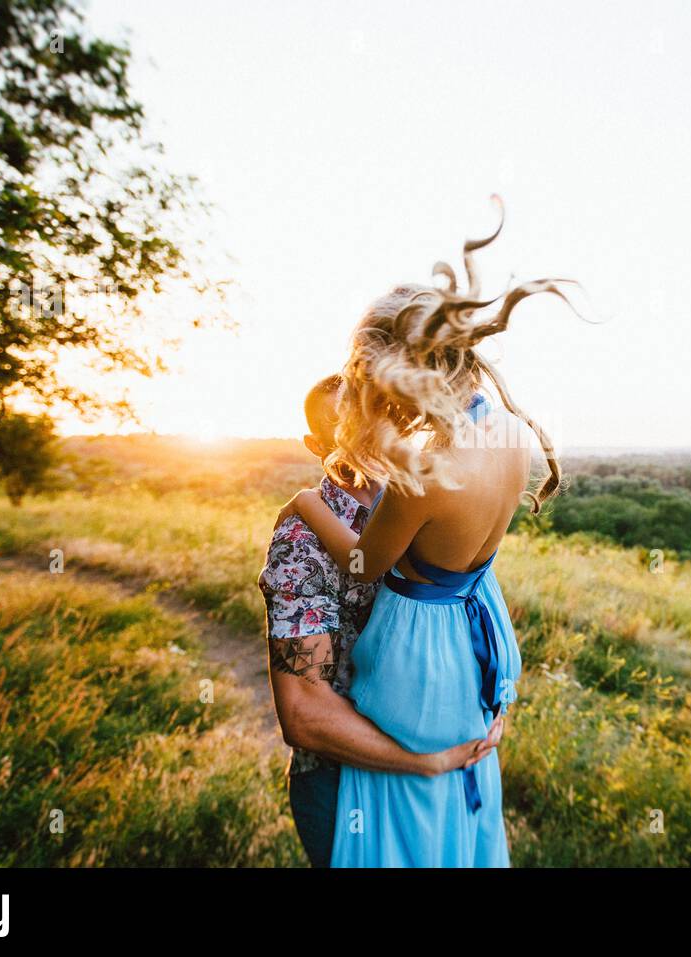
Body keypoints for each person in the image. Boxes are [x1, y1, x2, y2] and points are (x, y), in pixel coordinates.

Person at [282, 198, 572, 866]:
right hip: (475, 633)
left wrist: (305, 502)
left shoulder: (425, 463)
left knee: (398, 827)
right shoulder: (509, 432)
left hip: (419, 657)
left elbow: (363, 566)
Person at [258, 373, 502, 868]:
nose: (366, 435)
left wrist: (491, 707)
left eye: (377, 415)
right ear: (315, 444)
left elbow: (473, 615)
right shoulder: (300, 547)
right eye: (345, 424)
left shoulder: (431, 506)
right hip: (348, 781)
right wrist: (425, 763)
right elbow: (304, 715)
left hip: (455, 767)